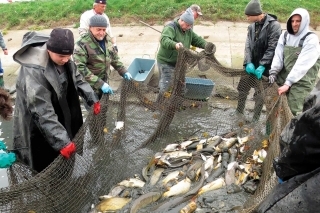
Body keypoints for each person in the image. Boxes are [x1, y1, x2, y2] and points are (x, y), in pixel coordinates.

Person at [12, 28, 100, 173]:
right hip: (35, 121)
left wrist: (92, 98)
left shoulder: (65, 58)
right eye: (61, 56)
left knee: (63, 147)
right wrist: (62, 142)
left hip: (58, 107)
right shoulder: (34, 70)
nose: (65, 60)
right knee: (42, 161)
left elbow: (77, 78)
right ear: (49, 49)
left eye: (68, 56)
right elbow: (42, 111)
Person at [235, 0, 281, 122]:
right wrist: (248, 62)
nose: (247, 18)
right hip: (250, 66)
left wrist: (262, 65)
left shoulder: (274, 26)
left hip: (264, 69)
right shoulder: (251, 27)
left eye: (248, 15)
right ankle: (238, 113)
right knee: (242, 90)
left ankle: (255, 119)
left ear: (256, 13)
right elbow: (248, 46)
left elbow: (273, 47)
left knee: (260, 95)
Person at [268, 8, 320, 116]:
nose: (295, 24)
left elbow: (302, 64)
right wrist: (273, 72)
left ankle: (292, 132)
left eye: (298, 21)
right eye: (292, 21)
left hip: (302, 80)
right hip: (285, 74)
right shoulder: (285, 35)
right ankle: (271, 132)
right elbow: (278, 55)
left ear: (305, 22)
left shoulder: (311, 39)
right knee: (273, 105)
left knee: (293, 109)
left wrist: (288, 83)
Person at [74, 15, 132, 100]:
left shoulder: (107, 40)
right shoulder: (82, 43)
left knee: (104, 108)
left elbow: (114, 58)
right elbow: (80, 68)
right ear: (90, 28)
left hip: (105, 83)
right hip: (90, 88)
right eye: (98, 29)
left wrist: (123, 71)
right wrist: (100, 83)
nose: (101, 33)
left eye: (104, 30)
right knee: (94, 111)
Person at [157, 9, 211, 98]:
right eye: (188, 25)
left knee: (180, 84)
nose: (189, 27)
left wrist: (206, 45)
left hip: (179, 63)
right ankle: (160, 104)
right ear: (182, 20)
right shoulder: (170, 27)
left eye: (190, 25)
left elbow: (196, 39)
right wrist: (175, 45)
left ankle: (176, 102)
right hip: (166, 62)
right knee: (166, 85)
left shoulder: (188, 30)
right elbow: (164, 40)